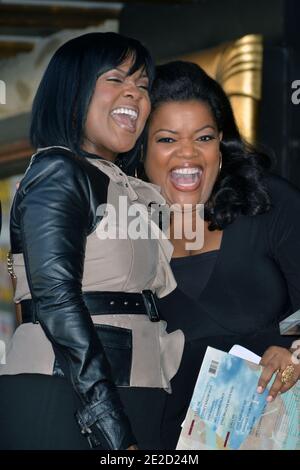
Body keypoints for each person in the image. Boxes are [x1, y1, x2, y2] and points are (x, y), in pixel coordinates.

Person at [0, 33, 184, 450]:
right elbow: (57, 301)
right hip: (69, 396)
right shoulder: (59, 172)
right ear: (75, 88)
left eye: (142, 85)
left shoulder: (124, 185)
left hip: (131, 391)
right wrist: (109, 423)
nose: (134, 95)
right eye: (117, 79)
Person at [142, 60, 300, 448]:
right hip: (165, 438)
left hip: (275, 427)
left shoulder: (270, 202)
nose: (187, 155)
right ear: (140, 148)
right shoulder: (127, 229)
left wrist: (296, 350)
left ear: (222, 143)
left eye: (203, 137)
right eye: (167, 139)